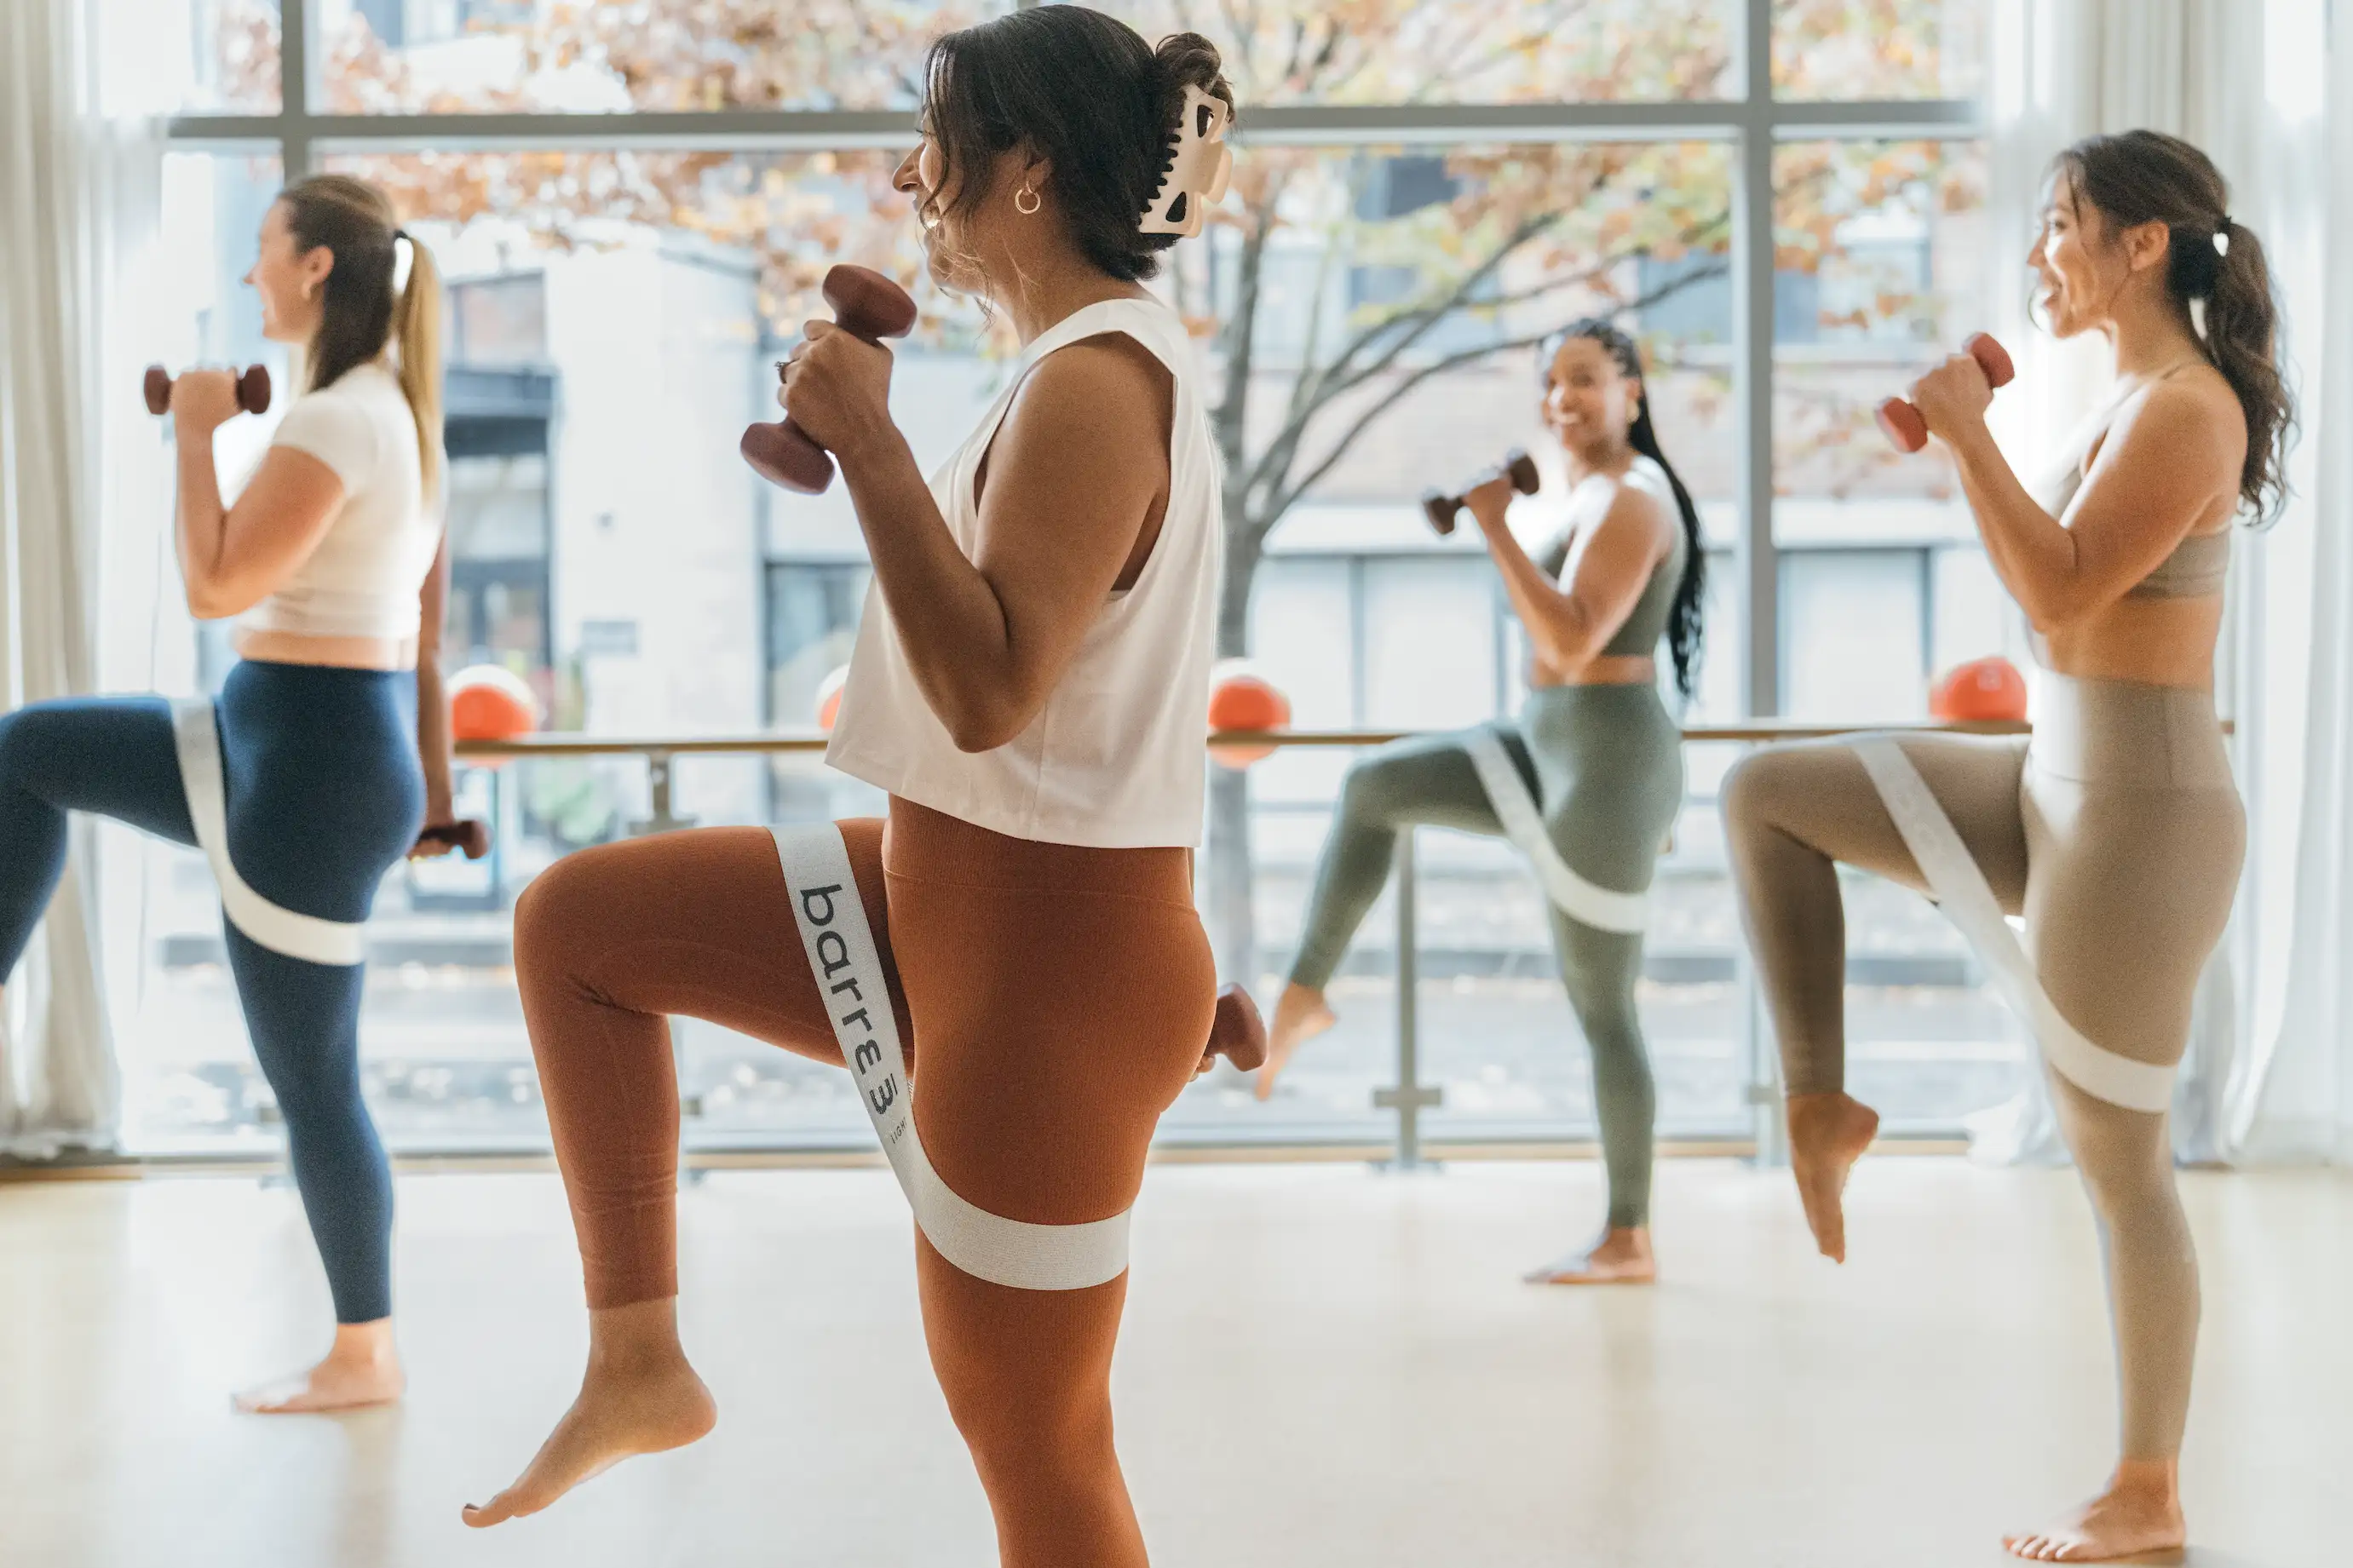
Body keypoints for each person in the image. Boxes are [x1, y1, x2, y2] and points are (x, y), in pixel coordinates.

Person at [462, 14, 1242, 1565]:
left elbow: (989, 688)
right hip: (949, 912)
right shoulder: (1061, 376)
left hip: (1042, 978)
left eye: (939, 140)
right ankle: (637, 1363)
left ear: (1025, 169)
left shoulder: (1098, 380)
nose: (914, 174)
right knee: (578, 927)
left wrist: (870, 447)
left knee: (1039, 1450)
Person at [1720, 130, 2290, 1563]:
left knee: (2121, 1163)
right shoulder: (2130, 398)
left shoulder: (2184, 407)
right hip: (2060, 777)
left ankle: (2146, 1493)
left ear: (2140, 243)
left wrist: (1966, 433)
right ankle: (1815, 1104)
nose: (2040, 253)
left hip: (2144, 818)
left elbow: (2056, 601)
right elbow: (2061, 615)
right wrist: (1974, 437)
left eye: (2059, 225)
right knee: (1768, 792)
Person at [0, 173, 466, 1411]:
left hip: (308, 768)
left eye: (264, 252)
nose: (250, 273)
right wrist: (435, 788)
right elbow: (425, 630)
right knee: (28, 747)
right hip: (268, 732)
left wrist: (195, 431)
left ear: (316, 269)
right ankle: (364, 1350)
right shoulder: (383, 410)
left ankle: (365, 1353)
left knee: (314, 1078)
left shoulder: (338, 421)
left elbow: (213, 586)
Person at [1253, 319, 1706, 1286]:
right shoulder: (1585, 492)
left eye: (1583, 379)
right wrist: (1506, 521)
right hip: (1541, 740)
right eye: (1549, 383)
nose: (1561, 399)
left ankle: (1629, 1236)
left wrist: (1494, 523)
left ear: (1633, 389)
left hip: (1610, 762)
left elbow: (1575, 640)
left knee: (1601, 1005)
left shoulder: (1633, 496)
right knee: (1372, 786)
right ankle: (1302, 994)